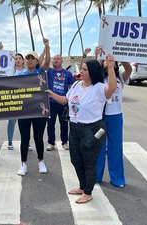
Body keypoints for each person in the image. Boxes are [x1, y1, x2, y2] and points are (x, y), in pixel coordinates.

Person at [47, 55, 117, 204]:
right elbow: (66, 100)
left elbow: (112, 88)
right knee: (75, 159)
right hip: (75, 128)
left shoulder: (99, 88)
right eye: (82, 69)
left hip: (92, 129)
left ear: (92, 72)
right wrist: (52, 95)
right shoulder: (76, 85)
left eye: (85, 69)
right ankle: (82, 186)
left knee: (89, 162)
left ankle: (88, 192)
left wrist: (110, 67)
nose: (81, 71)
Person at [91, 48, 132, 188]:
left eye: (112, 61)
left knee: (115, 148)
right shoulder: (98, 78)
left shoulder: (120, 76)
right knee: (98, 147)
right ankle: (96, 176)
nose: (108, 62)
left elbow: (128, 69)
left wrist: (121, 54)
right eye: (105, 60)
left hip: (115, 117)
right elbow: (91, 69)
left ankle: (117, 178)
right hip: (100, 118)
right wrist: (96, 56)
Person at [17, 37, 50, 176]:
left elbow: (47, 61)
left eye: (32, 58)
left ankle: (41, 162)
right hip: (24, 111)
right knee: (24, 138)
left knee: (38, 138)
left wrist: (47, 47)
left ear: (37, 61)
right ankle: (23, 164)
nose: (29, 60)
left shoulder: (40, 72)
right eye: (28, 58)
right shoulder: (20, 75)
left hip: (39, 111)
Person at [46, 54, 74, 151]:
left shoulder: (68, 74)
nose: (56, 60)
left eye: (58, 59)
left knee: (64, 124)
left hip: (63, 102)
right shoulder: (49, 72)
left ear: (62, 61)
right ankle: (51, 142)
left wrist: (70, 102)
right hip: (51, 102)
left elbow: (72, 88)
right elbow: (44, 63)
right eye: (54, 59)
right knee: (50, 124)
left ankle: (65, 142)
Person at [7, 53, 27, 150]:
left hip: (24, 100)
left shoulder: (26, 71)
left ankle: (26, 142)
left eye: (20, 58)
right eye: (16, 58)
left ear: (23, 61)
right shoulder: (11, 71)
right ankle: (10, 141)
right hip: (13, 100)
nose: (18, 60)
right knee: (12, 122)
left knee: (25, 123)